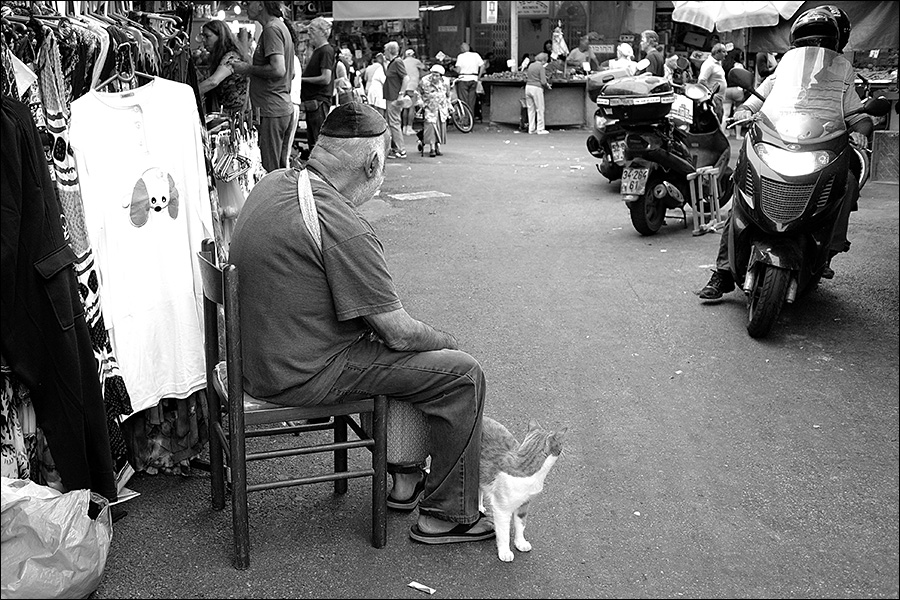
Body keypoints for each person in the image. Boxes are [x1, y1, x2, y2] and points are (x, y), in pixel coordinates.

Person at [229, 102, 492, 545]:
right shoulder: (342, 224)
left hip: (258, 357)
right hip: (300, 372)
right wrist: (447, 340)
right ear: (373, 162)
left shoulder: (274, 181)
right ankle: (446, 516)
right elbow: (399, 331)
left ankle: (405, 479)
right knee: (459, 372)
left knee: (407, 359)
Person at [698, 5, 872, 300]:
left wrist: (862, 126)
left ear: (833, 45)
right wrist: (744, 110)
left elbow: (857, 115)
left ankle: (827, 251)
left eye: (820, 43)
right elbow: (757, 100)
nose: (814, 48)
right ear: (798, 46)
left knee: (849, 179)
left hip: (821, 148)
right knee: (742, 194)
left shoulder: (842, 75)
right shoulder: (783, 72)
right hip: (776, 143)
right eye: (808, 43)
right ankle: (724, 272)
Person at [229, 1, 294, 173]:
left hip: (271, 109)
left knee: (270, 171)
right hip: (277, 107)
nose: (246, 6)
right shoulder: (278, 27)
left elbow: (279, 69)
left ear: (260, 5)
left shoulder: (272, 29)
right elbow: (289, 73)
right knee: (278, 170)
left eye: (249, 2)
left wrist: (247, 69)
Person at [299, 16, 335, 155]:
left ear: (322, 32)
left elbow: (325, 78)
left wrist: (303, 80)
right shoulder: (318, 50)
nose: (309, 33)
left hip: (318, 102)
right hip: (314, 102)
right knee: (313, 140)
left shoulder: (325, 51)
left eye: (312, 30)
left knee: (317, 142)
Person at [197, 19, 249, 114]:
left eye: (207, 36)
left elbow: (213, 82)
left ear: (220, 37)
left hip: (235, 113)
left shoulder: (231, 57)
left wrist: (189, 94)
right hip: (226, 111)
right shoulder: (217, 57)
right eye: (203, 36)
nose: (204, 41)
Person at [383, 41, 409, 159]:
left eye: (385, 51)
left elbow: (405, 78)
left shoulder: (397, 62)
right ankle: (396, 148)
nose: (384, 53)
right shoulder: (393, 63)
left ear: (389, 51)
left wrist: (401, 94)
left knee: (394, 123)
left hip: (394, 97)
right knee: (393, 122)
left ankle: (400, 149)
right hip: (391, 96)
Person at [418, 64, 450, 157]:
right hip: (429, 107)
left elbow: (448, 95)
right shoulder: (424, 81)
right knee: (431, 126)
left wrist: (449, 105)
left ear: (441, 76)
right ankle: (432, 148)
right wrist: (420, 102)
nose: (434, 77)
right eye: (433, 74)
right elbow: (418, 92)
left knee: (440, 126)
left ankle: (437, 146)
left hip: (441, 108)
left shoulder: (446, 82)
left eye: (437, 75)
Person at [454, 41, 484, 119]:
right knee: (472, 101)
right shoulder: (476, 55)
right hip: (474, 79)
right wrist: (479, 76)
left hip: (463, 79)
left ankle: (465, 120)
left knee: (463, 101)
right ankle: (471, 119)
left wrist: (452, 68)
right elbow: (483, 66)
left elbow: (458, 70)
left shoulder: (460, 56)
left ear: (462, 49)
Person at [698, 43, 727, 122]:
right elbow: (701, 81)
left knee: (719, 119)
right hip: (714, 99)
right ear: (717, 52)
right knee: (716, 121)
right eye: (724, 52)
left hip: (719, 98)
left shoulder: (717, 63)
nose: (726, 54)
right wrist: (711, 92)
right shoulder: (709, 64)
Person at [722, 48, 746, 138]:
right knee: (738, 113)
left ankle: (723, 131)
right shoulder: (739, 65)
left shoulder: (724, 65)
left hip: (727, 90)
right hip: (737, 90)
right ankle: (738, 135)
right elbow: (743, 78)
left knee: (726, 113)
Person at [524, 52, 551, 135]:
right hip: (536, 88)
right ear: (543, 60)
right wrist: (547, 86)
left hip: (528, 87)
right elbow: (543, 81)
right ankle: (540, 128)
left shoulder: (531, 65)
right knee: (540, 109)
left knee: (530, 109)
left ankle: (531, 129)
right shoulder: (541, 67)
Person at [402, 49, 425, 135]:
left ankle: (404, 127)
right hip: (412, 85)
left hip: (404, 86)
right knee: (411, 107)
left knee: (405, 107)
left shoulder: (402, 62)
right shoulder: (416, 61)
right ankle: (409, 127)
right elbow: (424, 68)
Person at [364, 53, 387, 118]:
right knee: (380, 109)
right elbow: (385, 82)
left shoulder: (369, 68)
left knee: (373, 109)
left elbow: (365, 78)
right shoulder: (381, 69)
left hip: (369, 88)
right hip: (378, 92)